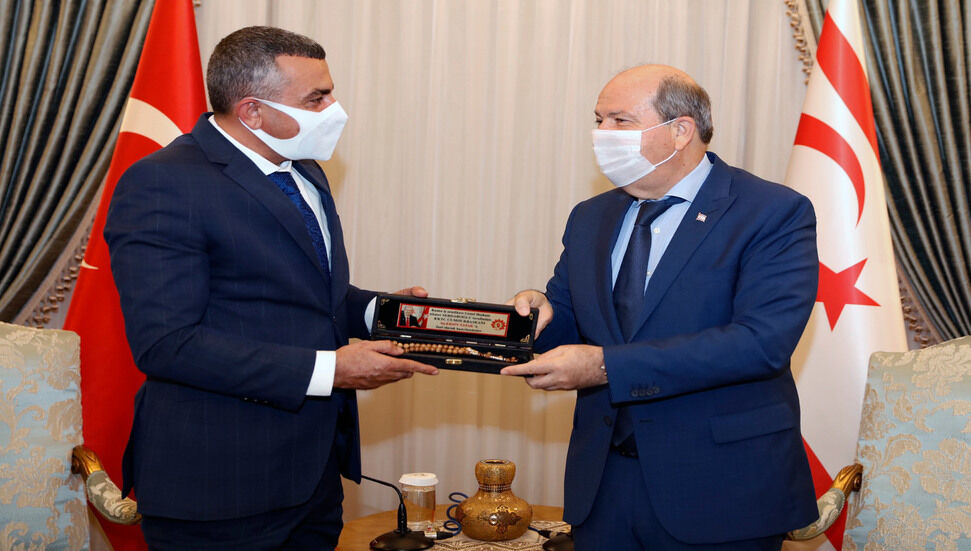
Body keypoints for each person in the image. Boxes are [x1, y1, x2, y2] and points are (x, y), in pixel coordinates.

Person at [104, 26, 438, 550]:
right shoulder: (164, 182)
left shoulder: (305, 171)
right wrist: (333, 370)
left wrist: (388, 313)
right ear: (253, 112)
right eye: (316, 99)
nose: (335, 110)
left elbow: (306, 293)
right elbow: (167, 343)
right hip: (219, 487)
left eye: (330, 92)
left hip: (311, 478)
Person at [503, 65, 819, 550]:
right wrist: (539, 312)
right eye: (599, 120)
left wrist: (606, 367)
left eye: (620, 120)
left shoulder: (771, 212)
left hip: (721, 489)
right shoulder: (590, 217)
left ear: (681, 131)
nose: (602, 133)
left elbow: (761, 344)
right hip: (604, 486)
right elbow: (574, 321)